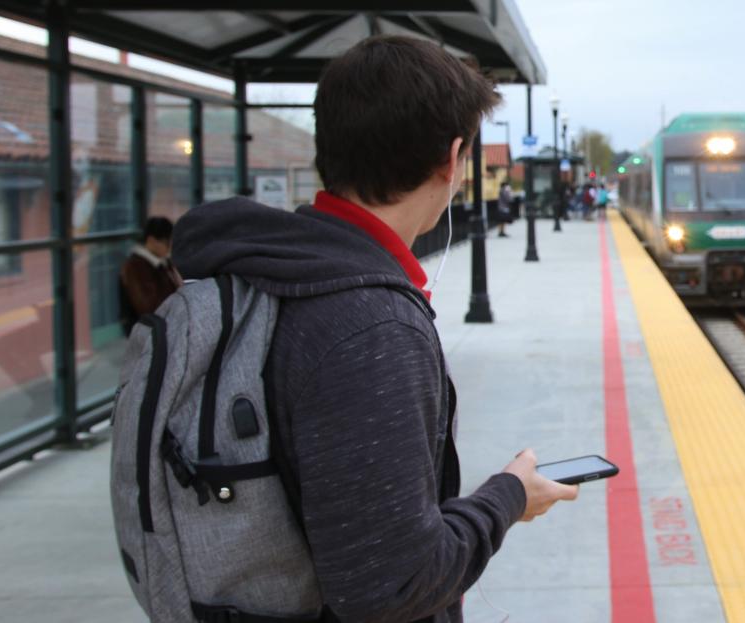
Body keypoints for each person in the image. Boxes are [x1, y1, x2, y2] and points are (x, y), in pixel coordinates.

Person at [172, 35, 577, 623]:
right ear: (453, 157)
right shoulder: (371, 327)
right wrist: (509, 498)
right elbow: (393, 585)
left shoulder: (276, 270)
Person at [119, 216, 182, 335]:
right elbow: (148, 307)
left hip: (163, 329)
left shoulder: (163, 262)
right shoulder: (135, 266)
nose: (169, 248)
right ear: (151, 240)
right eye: (166, 243)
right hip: (148, 334)